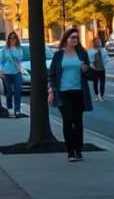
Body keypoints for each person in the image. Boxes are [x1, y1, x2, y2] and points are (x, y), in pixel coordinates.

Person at [47, 28, 93, 161]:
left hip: (79, 92)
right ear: (66, 38)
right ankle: (70, 152)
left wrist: (86, 70)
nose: (75, 40)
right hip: (63, 92)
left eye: (77, 38)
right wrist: (51, 90)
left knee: (78, 121)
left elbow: (89, 75)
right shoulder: (58, 55)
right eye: (72, 37)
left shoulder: (82, 54)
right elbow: (52, 74)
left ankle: (78, 150)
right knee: (67, 120)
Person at [0, 32, 25, 117]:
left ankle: (17, 111)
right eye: (11, 38)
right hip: (7, 73)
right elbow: (0, 61)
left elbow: (20, 58)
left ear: (17, 39)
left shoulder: (19, 49)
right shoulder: (4, 50)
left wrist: (14, 48)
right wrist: (0, 69)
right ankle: (9, 105)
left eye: (14, 38)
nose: (12, 40)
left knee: (17, 91)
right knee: (9, 91)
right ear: (8, 39)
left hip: (17, 72)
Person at [88, 37, 108, 102]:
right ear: (94, 43)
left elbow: (106, 58)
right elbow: (90, 60)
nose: (98, 43)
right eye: (97, 42)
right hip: (94, 69)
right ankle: (97, 95)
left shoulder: (103, 50)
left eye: (99, 41)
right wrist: (93, 66)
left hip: (102, 69)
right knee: (95, 83)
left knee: (102, 83)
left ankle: (101, 96)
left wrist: (103, 64)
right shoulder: (91, 51)